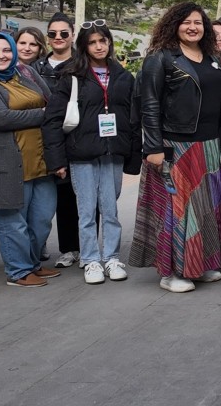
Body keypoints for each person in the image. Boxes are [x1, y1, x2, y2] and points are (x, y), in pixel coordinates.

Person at [130, 3, 221, 293]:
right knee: (178, 213)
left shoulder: (212, 59)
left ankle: (197, 266)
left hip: (209, 145)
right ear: (174, 25)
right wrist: (153, 147)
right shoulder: (160, 59)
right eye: (186, 22)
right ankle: (172, 272)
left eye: (198, 22)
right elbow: (148, 106)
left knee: (205, 210)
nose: (192, 27)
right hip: (175, 145)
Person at [42, 22, 139, 284]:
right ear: (84, 45)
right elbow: (52, 120)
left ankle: (111, 257)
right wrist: (57, 160)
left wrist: (133, 153)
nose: (99, 46)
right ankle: (91, 260)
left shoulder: (123, 77)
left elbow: (133, 118)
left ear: (109, 43)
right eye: (93, 42)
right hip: (82, 154)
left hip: (113, 153)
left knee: (110, 209)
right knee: (86, 211)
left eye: (103, 41)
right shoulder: (71, 76)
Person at [0, 32, 60, 288]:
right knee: (13, 222)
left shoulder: (25, 75)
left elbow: (52, 103)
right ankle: (18, 271)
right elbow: (1, 118)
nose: (1, 55)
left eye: (6, 50)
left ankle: (32, 264)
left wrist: (46, 112)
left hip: (40, 161)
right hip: (5, 163)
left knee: (41, 219)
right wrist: (42, 114)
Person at [37, 13, 82, 271]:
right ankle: (42, 245)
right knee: (45, 199)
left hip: (76, 137)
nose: (58, 38)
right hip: (43, 137)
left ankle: (74, 247)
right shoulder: (37, 68)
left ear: (72, 34)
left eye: (63, 33)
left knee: (75, 198)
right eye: (52, 34)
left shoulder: (82, 64)